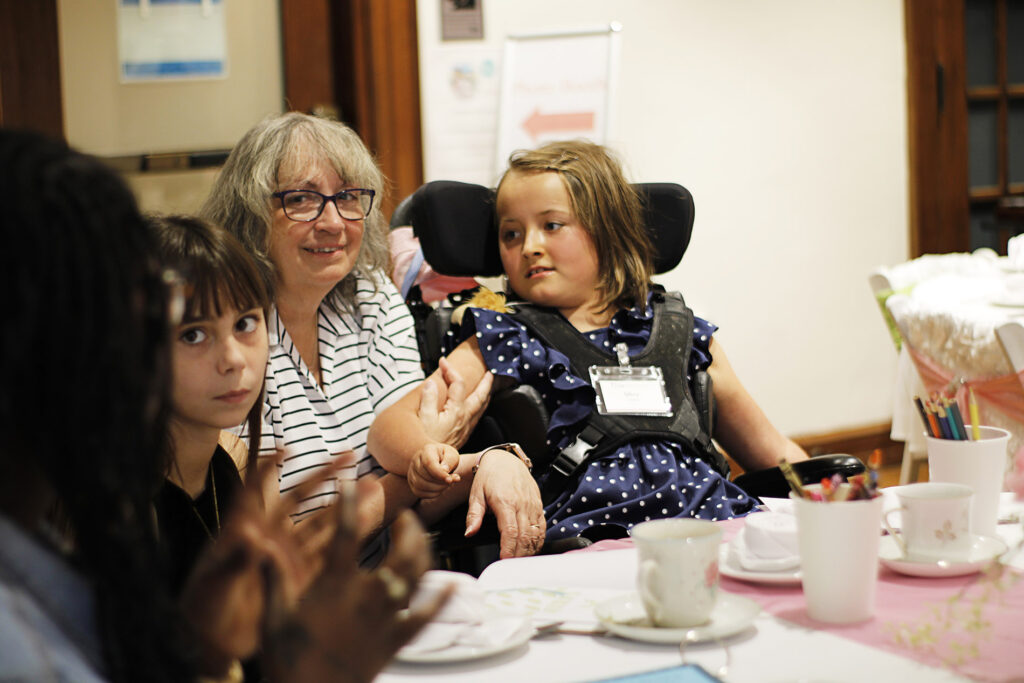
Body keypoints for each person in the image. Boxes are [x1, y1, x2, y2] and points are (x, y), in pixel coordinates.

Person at [0, 129, 444, 682]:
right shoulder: (85, 535)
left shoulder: (211, 473)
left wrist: (209, 650)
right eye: (186, 333)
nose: (232, 358)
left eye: (245, 325)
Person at [369, 139, 808, 547]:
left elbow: (776, 456)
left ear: (608, 231)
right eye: (511, 234)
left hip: (715, 531)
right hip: (590, 543)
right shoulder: (506, 334)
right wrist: (424, 453)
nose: (529, 247)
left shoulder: (679, 333)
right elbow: (388, 428)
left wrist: (834, 495)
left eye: (552, 225)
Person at [201, 112, 543, 557]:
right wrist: (419, 470)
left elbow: (420, 501)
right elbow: (283, 552)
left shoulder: (370, 296)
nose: (333, 222)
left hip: (385, 593)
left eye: (347, 197)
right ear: (250, 213)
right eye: (302, 199)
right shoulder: (227, 336)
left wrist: (491, 460)